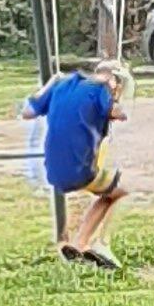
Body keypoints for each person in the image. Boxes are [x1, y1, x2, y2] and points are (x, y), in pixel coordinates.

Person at [26, 58, 128, 267]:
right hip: (80, 169)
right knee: (119, 190)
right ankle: (96, 243)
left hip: (53, 169)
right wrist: (115, 98)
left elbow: (28, 112)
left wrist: (50, 83)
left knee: (103, 187)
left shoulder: (61, 85)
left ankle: (75, 242)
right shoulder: (100, 88)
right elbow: (120, 114)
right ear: (113, 79)